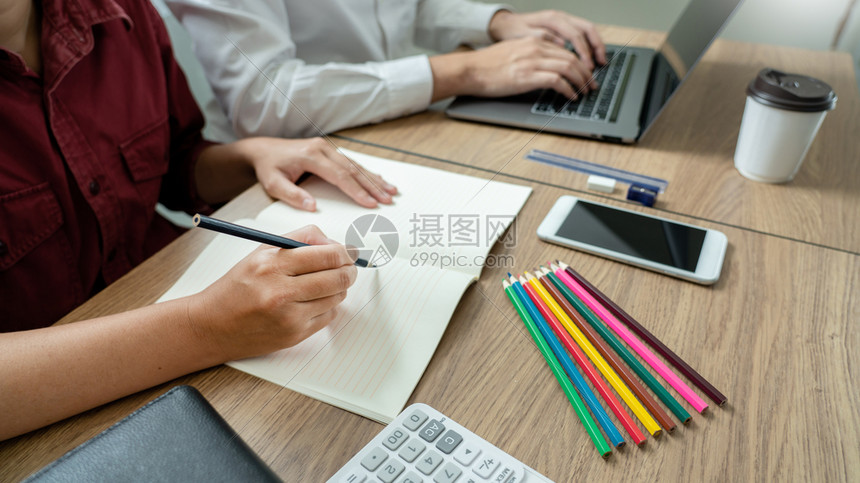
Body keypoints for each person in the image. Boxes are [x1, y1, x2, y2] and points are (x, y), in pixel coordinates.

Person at [0, 0, 397, 440]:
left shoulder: (122, 12)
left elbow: (177, 164)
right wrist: (203, 326)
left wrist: (250, 157)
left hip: (189, 317)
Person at [166, 0, 607, 138]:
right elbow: (262, 98)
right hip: (286, 158)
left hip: (393, 126)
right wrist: (464, 71)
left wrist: (495, 22)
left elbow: (405, 6)